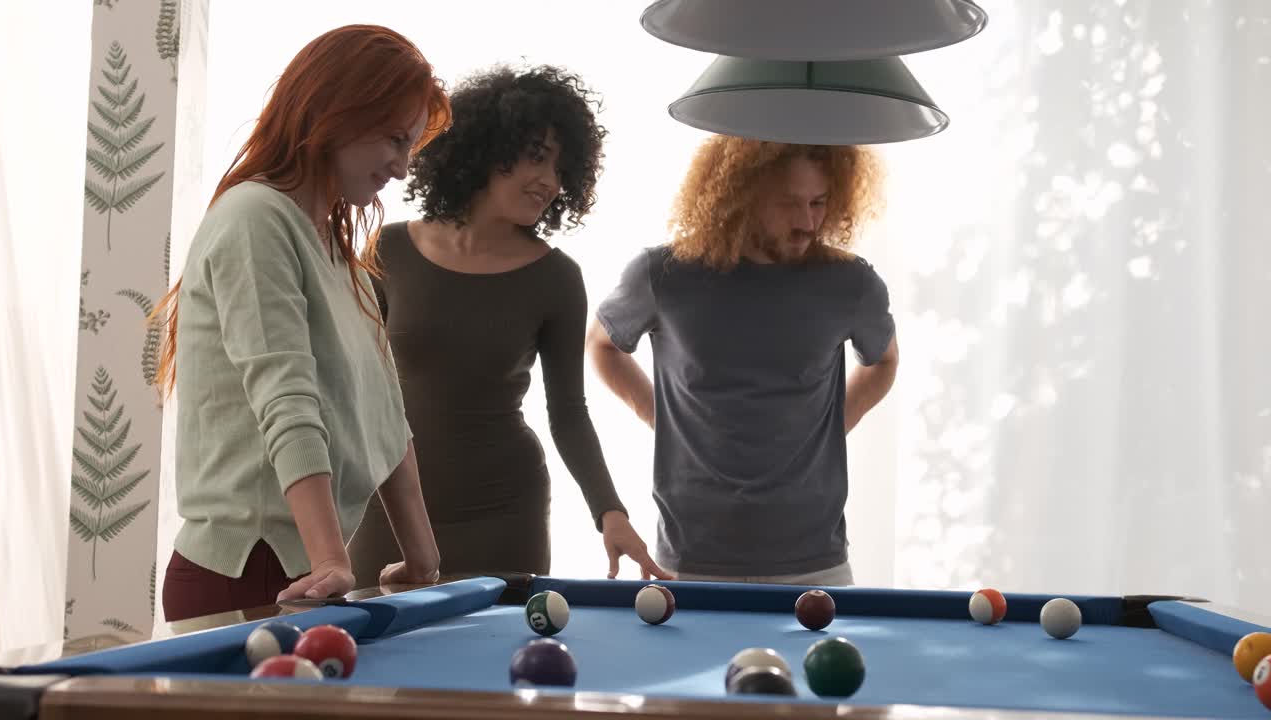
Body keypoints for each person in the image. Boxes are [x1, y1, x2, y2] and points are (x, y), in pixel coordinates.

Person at [152, 25, 451, 621]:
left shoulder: (344, 260)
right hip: (247, 574)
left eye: (410, 146)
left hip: (306, 572)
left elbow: (385, 415)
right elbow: (284, 397)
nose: (401, 166)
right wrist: (330, 561)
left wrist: (422, 559)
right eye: (394, 138)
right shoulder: (256, 218)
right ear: (334, 110)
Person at [346, 64, 668, 584]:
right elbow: (350, 385)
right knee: (374, 661)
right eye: (537, 157)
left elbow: (568, 412)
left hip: (503, 517)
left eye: (561, 168)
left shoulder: (557, 278)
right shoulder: (389, 248)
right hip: (388, 510)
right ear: (485, 147)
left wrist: (610, 512)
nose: (549, 180)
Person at [586, 136, 899, 586]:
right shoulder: (664, 274)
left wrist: (832, 424)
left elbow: (882, 362)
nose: (807, 222)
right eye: (789, 203)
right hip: (691, 558)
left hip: (815, 562)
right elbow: (602, 344)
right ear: (741, 193)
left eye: (819, 202)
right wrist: (660, 416)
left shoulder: (851, 282)